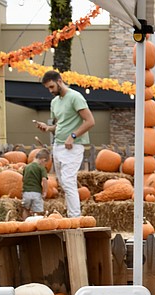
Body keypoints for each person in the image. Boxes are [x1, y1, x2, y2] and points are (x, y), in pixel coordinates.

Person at [33, 70, 94, 218]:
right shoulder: (54, 102)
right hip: (58, 145)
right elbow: (60, 125)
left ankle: (75, 217)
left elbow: (90, 121)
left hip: (73, 146)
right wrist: (47, 128)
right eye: (48, 88)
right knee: (63, 183)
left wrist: (73, 136)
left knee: (68, 181)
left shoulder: (75, 97)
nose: (50, 90)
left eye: (52, 87)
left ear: (59, 81)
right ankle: (71, 215)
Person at [20, 149, 50, 220]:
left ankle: (25, 225)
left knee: (25, 209)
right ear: (43, 160)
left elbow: (23, 179)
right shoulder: (41, 168)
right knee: (37, 211)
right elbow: (44, 180)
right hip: (36, 193)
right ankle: (36, 225)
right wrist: (45, 192)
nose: (45, 165)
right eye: (45, 163)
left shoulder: (26, 167)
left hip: (26, 192)